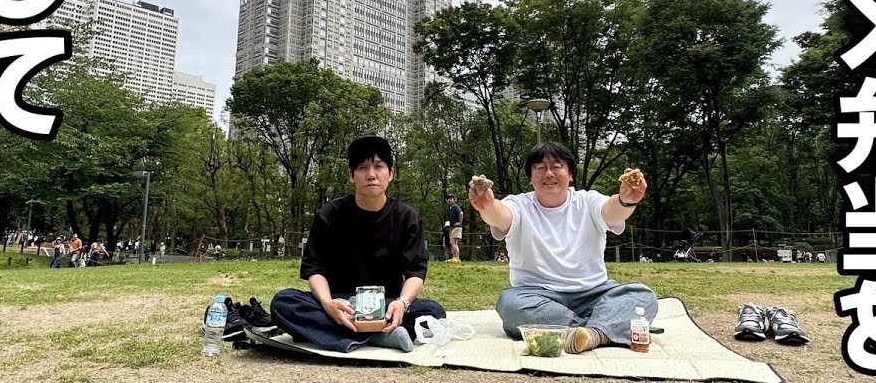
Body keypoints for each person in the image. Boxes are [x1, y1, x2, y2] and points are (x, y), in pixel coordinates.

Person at [469, 140, 658, 354]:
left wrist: (626, 201)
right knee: (510, 305)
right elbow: (501, 215)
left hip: (594, 293)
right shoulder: (519, 204)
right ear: (531, 178)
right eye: (540, 168)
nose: (548, 173)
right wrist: (487, 206)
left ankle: (585, 332)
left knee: (643, 296)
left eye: (556, 166)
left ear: (570, 174)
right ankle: (604, 329)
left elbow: (611, 211)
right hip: (537, 296)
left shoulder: (587, 201)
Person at [270, 135, 447, 353]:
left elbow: (416, 272)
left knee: (434, 311)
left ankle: (339, 333)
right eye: (362, 167)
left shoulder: (406, 217)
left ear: (391, 174)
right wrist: (327, 303)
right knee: (283, 302)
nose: (371, 175)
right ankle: (377, 337)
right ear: (352, 176)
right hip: (340, 303)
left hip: (386, 303)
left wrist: (402, 303)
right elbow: (314, 269)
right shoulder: (329, 215)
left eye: (378, 166)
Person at [445, 194, 464, 263]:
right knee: (454, 243)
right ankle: (454, 257)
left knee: (453, 243)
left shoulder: (456, 207)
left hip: (456, 227)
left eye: (451, 198)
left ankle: (457, 258)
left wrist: (459, 222)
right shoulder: (450, 209)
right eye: (448, 199)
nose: (450, 200)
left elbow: (461, 214)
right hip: (452, 227)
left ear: (454, 200)